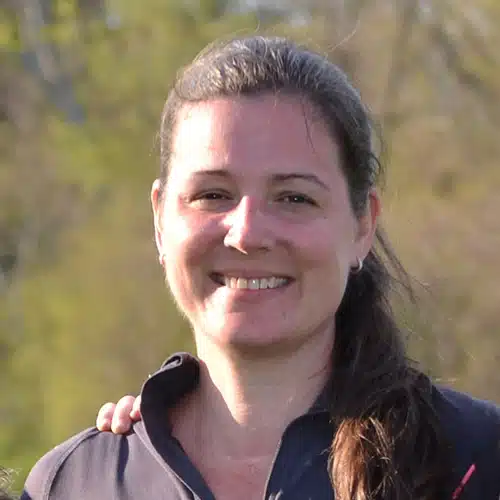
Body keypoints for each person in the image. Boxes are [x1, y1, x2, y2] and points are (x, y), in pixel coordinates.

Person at [21, 35, 500, 500]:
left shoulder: (476, 462)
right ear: (160, 219)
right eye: (213, 194)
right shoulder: (73, 484)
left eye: (294, 198)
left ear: (362, 225)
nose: (247, 233)